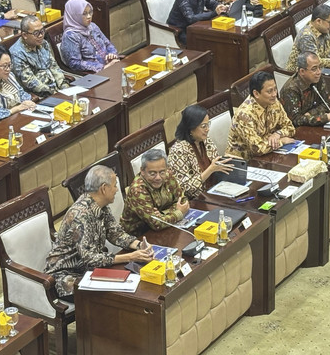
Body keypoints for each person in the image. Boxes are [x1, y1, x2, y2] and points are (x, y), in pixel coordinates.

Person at [44, 165, 154, 301]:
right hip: (67, 277)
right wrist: (130, 257)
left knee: (133, 280)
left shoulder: (100, 206)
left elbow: (116, 233)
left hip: (90, 269)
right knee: (117, 296)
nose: (117, 189)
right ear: (103, 188)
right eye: (114, 186)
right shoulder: (81, 215)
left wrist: (139, 245)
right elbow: (89, 258)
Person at [225, 71, 296, 160]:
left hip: (267, 157)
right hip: (243, 163)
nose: (274, 94)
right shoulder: (244, 115)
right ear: (256, 94)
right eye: (269, 91)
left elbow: (290, 127)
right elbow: (257, 149)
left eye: (275, 89)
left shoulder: (273, 102)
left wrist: (277, 134)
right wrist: (281, 141)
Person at [168, 105, 233, 199]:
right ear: (191, 127)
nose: (207, 129)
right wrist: (210, 169)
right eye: (203, 126)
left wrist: (228, 161)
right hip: (194, 200)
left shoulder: (206, 141)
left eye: (208, 124)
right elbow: (183, 188)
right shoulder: (178, 151)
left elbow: (217, 165)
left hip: (215, 191)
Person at [121, 149, 189, 237]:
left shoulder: (167, 175)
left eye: (162, 172)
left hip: (165, 229)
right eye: (152, 173)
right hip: (139, 236)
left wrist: (163, 214)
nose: (158, 177)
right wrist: (179, 212)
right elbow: (157, 223)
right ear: (142, 171)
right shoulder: (137, 191)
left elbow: (183, 201)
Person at [10, 15, 70, 97]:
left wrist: (64, 86)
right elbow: (30, 82)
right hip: (40, 95)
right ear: (24, 35)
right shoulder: (17, 54)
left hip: (55, 89)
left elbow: (53, 66)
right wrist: (55, 93)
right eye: (36, 33)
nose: (41, 35)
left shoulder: (43, 43)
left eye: (42, 31)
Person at [280, 52, 330, 127]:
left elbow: (326, 103)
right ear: (302, 71)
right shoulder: (291, 89)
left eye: (320, 67)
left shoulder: (317, 78)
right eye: (314, 69)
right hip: (297, 130)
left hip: (312, 124)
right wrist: (325, 118)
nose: (319, 72)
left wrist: (310, 114)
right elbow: (295, 120)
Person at [61, 0, 119, 73]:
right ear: (74, 15)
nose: (89, 17)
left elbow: (108, 44)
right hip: (94, 74)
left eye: (90, 12)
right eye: (84, 14)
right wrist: (102, 67)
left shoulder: (92, 26)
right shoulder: (70, 36)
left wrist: (112, 54)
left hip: (110, 65)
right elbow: (75, 64)